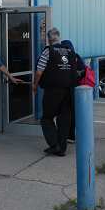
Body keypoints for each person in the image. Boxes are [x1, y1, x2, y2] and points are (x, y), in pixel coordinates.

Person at [33, 28, 78, 157]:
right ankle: (62, 148)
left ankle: (54, 145)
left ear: (48, 39)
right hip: (69, 91)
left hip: (53, 90)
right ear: (59, 37)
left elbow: (39, 71)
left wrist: (35, 85)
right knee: (64, 119)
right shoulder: (70, 51)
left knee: (46, 118)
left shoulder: (48, 51)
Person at [60, 40, 86, 143]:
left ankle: (67, 135)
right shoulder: (76, 56)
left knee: (65, 113)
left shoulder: (61, 57)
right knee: (74, 112)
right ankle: (73, 135)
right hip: (76, 88)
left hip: (64, 89)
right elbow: (83, 70)